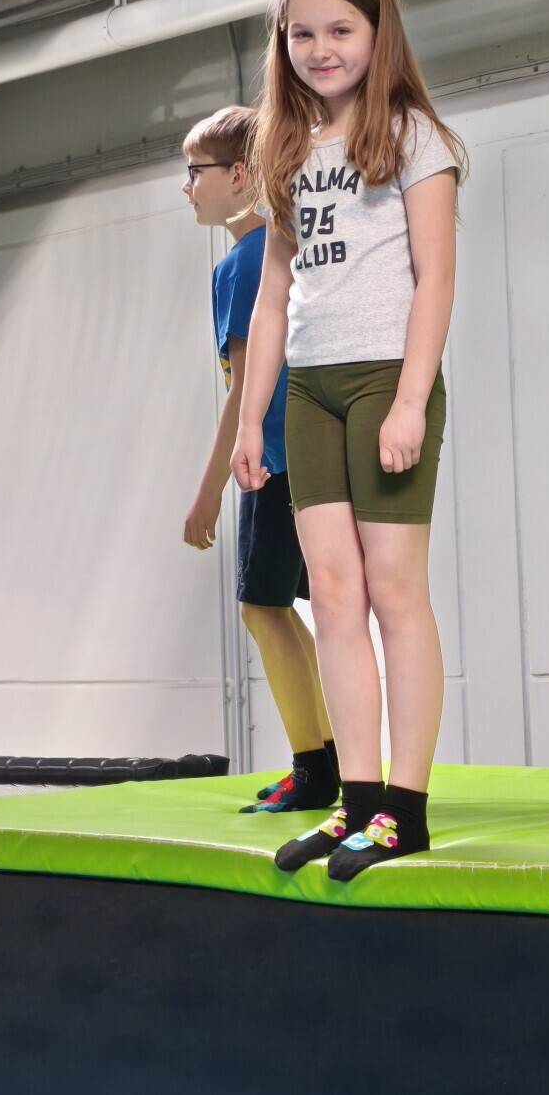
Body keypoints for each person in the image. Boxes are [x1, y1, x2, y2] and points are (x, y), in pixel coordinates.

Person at [232, 0, 464, 879]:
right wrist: (249, 420)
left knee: (394, 591)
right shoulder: (284, 147)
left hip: (383, 381)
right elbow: (272, 294)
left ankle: (405, 808)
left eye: (340, 30)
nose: (320, 48)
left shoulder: (413, 137)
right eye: (302, 34)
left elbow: (435, 279)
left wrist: (409, 401)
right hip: (309, 389)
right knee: (329, 595)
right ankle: (356, 801)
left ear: (378, 34)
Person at [181, 105, 337, 814]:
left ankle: (315, 768)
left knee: (261, 608)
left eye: (196, 171)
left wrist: (208, 490)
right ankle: (324, 758)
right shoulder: (275, 249)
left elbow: (247, 389)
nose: (187, 186)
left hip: (273, 460)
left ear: (240, 174)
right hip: (298, 455)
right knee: (282, 609)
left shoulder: (245, 262)